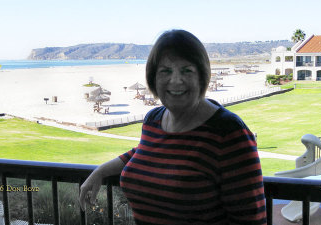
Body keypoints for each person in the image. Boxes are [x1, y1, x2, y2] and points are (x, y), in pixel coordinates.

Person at [79, 29, 267, 225]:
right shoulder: (153, 120)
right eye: (165, 71)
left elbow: (252, 220)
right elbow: (146, 152)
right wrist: (100, 171)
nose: (176, 80)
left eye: (187, 70)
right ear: (153, 78)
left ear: (202, 77)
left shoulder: (228, 132)